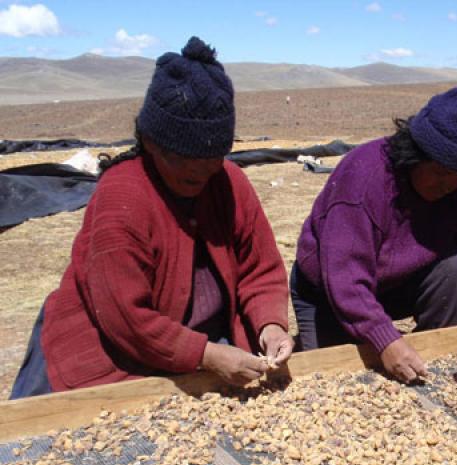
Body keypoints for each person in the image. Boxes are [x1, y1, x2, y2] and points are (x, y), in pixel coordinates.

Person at [10, 37, 292, 399]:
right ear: (150, 142)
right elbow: (126, 319)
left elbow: (260, 269)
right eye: (184, 163)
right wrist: (206, 354)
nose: (199, 175)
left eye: (210, 164)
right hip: (115, 354)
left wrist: (270, 324)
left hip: (205, 346)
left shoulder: (228, 183)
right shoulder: (122, 197)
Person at [292, 83, 457, 383]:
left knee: (454, 267)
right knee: (333, 379)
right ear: (416, 152)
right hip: (327, 291)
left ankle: (432, 363)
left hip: (396, 284)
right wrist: (386, 341)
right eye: (442, 172)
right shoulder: (364, 178)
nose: (450, 184)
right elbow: (345, 277)